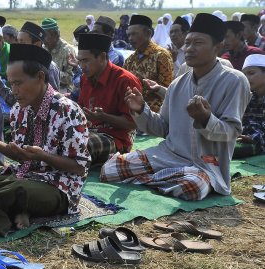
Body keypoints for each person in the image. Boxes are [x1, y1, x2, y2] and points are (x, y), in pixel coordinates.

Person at [101, 14, 251, 201]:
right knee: (110, 169)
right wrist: (141, 110)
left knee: (191, 187)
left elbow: (232, 132)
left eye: (197, 43)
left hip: (205, 163)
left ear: (218, 47)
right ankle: (163, 180)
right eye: (187, 43)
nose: (189, 48)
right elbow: (163, 127)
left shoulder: (234, 80)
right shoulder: (177, 84)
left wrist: (206, 119)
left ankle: (153, 179)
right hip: (168, 155)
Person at [0, 43, 90, 236]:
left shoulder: (67, 110)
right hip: (23, 176)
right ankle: (17, 210)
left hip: (57, 186)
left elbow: (79, 167)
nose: (14, 90)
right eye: (11, 83)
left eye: (18, 83)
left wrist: (43, 156)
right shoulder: (20, 109)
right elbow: (21, 156)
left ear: (40, 77)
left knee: (10, 192)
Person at [77, 33, 142, 165]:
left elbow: (133, 124)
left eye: (86, 60)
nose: (82, 66)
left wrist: (103, 117)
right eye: (80, 61)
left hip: (117, 139)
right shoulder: (85, 78)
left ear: (102, 57)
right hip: (90, 131)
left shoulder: (125, 80)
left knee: (81, 145)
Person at [124, 14, 173, 113]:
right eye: (129, 35)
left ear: (148, 33)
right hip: (133, 113)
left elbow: (167, 90)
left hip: (156, 114)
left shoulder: (161, 56)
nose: (130, 38)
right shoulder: (130, 59)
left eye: (134, 34)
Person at [234, 54, 265, 158]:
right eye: (244, 75)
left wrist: (253, 138)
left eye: (251, 73)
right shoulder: (249, 98)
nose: (246, 78)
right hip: (248, 142)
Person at [42, 18, 77, 92]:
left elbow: (70, 77)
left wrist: (49, 73)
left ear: (55, 35)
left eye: (45, 36)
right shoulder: (43, 48)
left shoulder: (67, 50)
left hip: (63, 91)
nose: (43, 40)